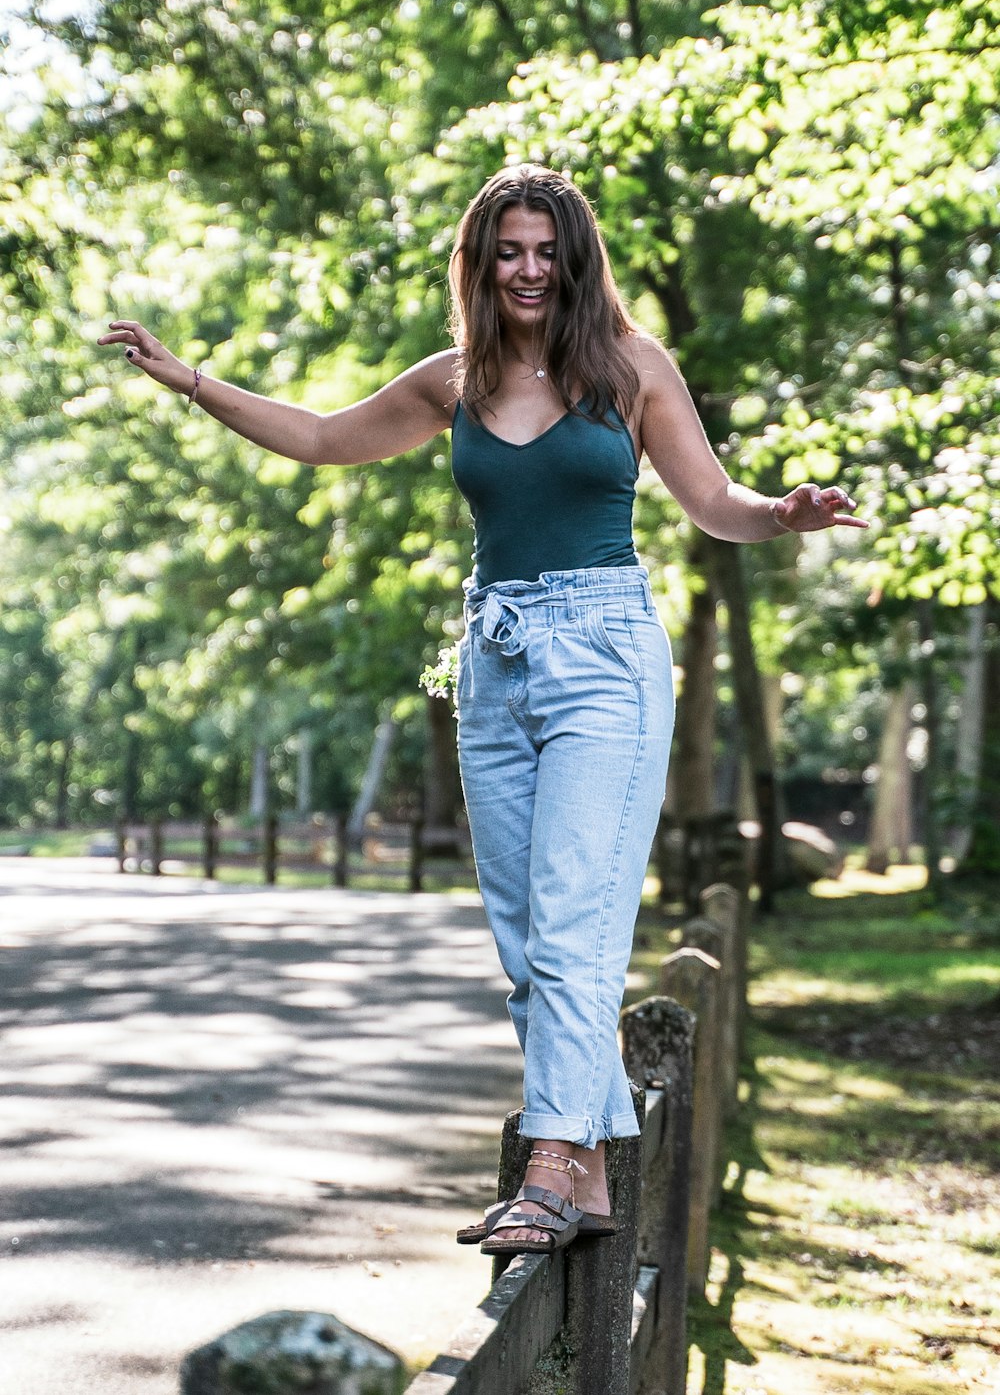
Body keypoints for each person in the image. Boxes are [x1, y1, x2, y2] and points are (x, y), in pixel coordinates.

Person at [99, 163, 866, 1256]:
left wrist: (783, 512)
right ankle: (593, 1170)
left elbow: (715, 503)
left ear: (576, 259)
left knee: (569, 921)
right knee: (525, 943)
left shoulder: (631, 368)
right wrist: (191, 380)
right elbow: (319, 436)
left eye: (546, 250)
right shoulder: (453, 380)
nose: (528, 269)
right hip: (494, 662)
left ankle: (549, 1166)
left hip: (604, 656)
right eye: (507, 249)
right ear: (479, 260)